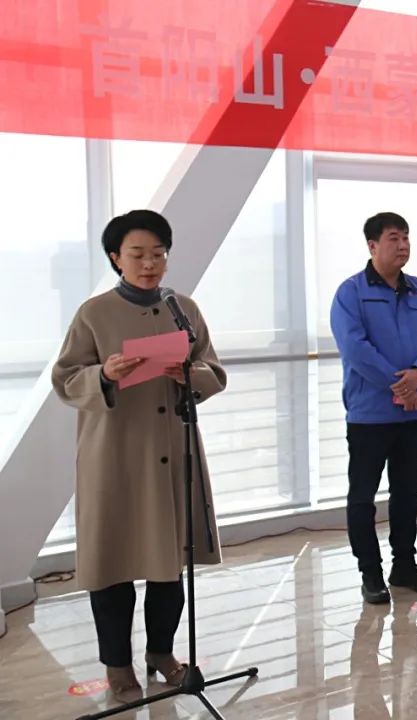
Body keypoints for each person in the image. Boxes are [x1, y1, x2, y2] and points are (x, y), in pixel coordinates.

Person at [52, 210, 226, 702]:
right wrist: (105, 374)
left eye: (158, 254)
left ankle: (161, 654)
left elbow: (213, 370)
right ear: (116, 258)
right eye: (138, 254)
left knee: (170, 564)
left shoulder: (183, 308)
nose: (150, 264)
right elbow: (65, 379)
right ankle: (116, 664)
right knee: (112, 565)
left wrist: (187, 374)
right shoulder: (93, 313)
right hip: (113, 457)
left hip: (172, 450)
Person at [330, 212, 417, 605]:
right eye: (394, 238)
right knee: (362, 496)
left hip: (413, 413)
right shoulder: (351, 292)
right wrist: (398, 384)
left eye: (406, 238)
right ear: (372, 245)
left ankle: (405, 565)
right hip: (370, 415)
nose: (403, 245)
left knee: (406, 493)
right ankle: (370, 572)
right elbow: (355, 348)